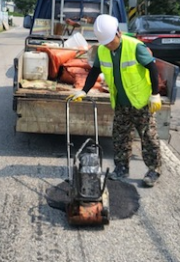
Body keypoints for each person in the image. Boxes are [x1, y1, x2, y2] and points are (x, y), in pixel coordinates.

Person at [67, 14, 163, 187]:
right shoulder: (102, 50)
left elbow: (153, 69)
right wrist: (84, 90)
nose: (109, 45)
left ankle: (154, 170)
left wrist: (154, 94)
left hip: (141, 102)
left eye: (111, 41)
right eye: (105, 42)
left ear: (118, 33)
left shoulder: (135, 47)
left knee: (148, 137)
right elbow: (95, 72)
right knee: (119, 138)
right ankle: (121, 169)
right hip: (120, 102)